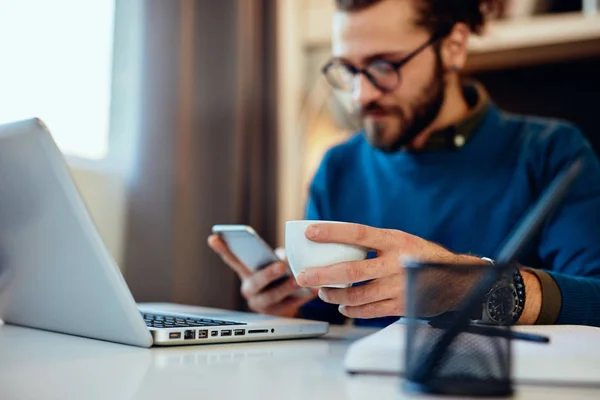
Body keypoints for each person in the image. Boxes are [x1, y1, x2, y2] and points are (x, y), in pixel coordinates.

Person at [209, 0, 600, 328]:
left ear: (454, 46)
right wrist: (281, 304)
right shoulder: (339, 167)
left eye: (384, 66)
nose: (362, 96)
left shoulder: (552, 152)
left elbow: (595, 298)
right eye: (348, 70)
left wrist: (468, 286)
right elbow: (321, 315)